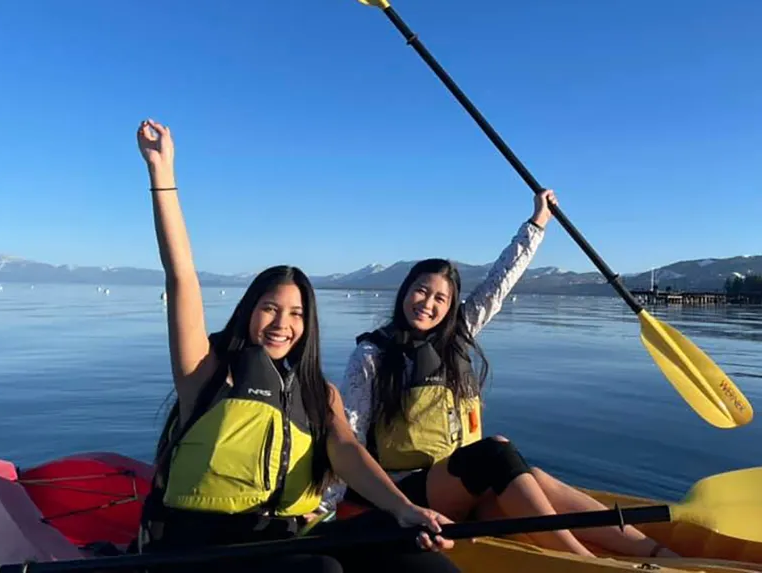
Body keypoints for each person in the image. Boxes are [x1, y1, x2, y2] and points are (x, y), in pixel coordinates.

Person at [134, 118, 461, 573]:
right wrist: (162, 173)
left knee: (405, 546)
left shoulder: (319, 394)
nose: (281, 324)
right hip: (203, 546)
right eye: (270, 308)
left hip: (283, 536)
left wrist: (405, 509)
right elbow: (182, 276)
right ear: (249, 310)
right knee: (321, 571)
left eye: (296, 314)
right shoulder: (204, 372)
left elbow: (347, 452)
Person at [329, 189, 676, 559]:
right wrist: (326, 508)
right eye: (420, 291)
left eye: (439, 298)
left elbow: (500, 282)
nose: (427, 304)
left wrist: (538, 222)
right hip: (399, 496)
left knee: (534, 477)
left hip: (455, 484)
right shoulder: (371, 355)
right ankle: (584, 562)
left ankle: (657, 552)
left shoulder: (457, 337)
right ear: (405, 292)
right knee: (495, 453)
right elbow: (347, 439)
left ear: (450, 307)